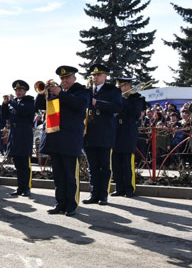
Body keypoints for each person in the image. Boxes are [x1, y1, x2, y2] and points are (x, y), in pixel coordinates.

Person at [35, 66, 90, 217]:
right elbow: (38, 106)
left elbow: (80, 105)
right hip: (55, 139)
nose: (64, 80)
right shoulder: (56, 93)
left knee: (70, 175)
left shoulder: (82, 91)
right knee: (58, 175)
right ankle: (60, 203)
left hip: (71, 139)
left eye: (67, 77)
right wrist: (43, 92)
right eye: (62, 78)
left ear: (74, 78)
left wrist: (60, 93)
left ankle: (71, 204)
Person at [83, 63, 122, 206]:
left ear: (105, 76)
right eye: (93, 75)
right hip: (89, 134)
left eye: (98, 75)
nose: (95, 77)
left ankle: (103, 195)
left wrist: (96, 102)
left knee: (104, 167)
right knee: (92, 167)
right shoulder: (87, 90)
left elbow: (117, 107)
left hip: (105, 133)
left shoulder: (113, 90)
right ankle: (94, 194)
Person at [1, 80, 36, 197]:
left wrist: (11, 102)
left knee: (25, 164)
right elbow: (5, 115)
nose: (18, 92)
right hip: (14, 134)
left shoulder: (30, 101)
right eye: (16, 90)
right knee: (17, 164)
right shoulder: (13, 102)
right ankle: (20, 187)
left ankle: (26, 188)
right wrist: (5, 104)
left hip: (24, 134)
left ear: (25, 91)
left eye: (20, 90)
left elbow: (23, 110)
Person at [113, 78, 144, 198]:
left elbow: (135, 113)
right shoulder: (117, 98)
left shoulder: (137, 99)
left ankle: (129, 189)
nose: (120, 88)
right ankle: (119, 188)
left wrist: (123, 99)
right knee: (116, 163)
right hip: (116, 131)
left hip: (128, 132)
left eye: (122, 86)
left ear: (128, 86)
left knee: (127, 163)